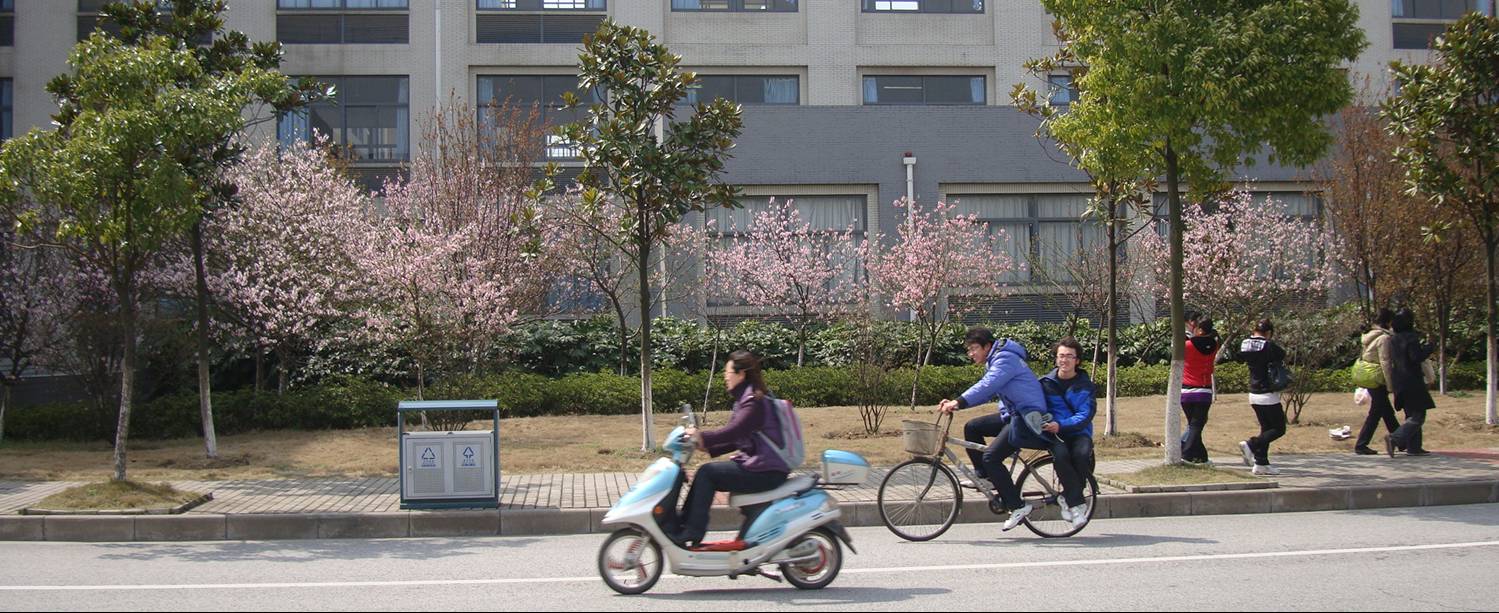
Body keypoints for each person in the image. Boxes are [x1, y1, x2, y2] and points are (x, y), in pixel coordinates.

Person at [938, 327, 1050, 532]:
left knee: (991, 457)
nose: (971, 354)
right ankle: (986, 477)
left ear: (987, 346)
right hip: (1014, 414)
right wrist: (958, 403)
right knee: (972, 427)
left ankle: (1017, 506)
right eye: (969, 350)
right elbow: (988, 393)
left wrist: (958, 401)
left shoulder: (1004, 360)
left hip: (1026, 417)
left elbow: (987, 385)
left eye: (974, 349)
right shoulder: (996, 359)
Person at [676, 350, 789, 548]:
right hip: (762, 467)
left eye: (728, 373)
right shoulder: (746, 399)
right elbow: (739, 439)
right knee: (707, 472)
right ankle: (684, 523)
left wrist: (703, 436)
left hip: (767, 472)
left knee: (707, 473)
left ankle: (692, 529)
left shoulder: (754, 401)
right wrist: (706, 446)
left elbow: (735, 431)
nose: (725, 377)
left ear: (741, 374)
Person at [1038, 337, 1096, 529]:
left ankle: (1068, 499)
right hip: (1055, 434)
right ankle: (1076, 505)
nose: (1065, 360)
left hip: (1078, 432)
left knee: (1080, 455)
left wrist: (1060, 425)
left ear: (1077, 360)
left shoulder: (1085, 385)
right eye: (1061, 356)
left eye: (1069, 356)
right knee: (1061, 455)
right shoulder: (1045, 382)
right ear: (1056, 358)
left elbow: (1085, 414)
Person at [1236, 319, 1288, 476]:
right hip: (1267, 393)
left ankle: (1261, 464)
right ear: (1269, 332)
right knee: (1279, 428)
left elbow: (1239, 357)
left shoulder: (1245, 344)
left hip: (1253, 392)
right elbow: (1282, 354)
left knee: (1266, 428)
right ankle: (1251, 444)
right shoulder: (1268, 345)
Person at [1386, 308, 1435, 458]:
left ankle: (1414, 447)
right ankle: (1395, 438)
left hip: (1399, 379)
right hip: (1412, 380)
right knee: (1418, 415)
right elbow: (1416, 357)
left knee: (1410, 414)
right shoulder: (1411, 337)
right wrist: (1428, 348)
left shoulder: (1393, 338)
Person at [1354, 308, 1399, 455]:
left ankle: (1401, 441)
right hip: (1378, 377)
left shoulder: (1368, 335)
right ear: (1388, 322)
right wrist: (1391, 383)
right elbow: (1385, 361)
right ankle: (1361, 444)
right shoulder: (1384, 338)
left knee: (1385, 411)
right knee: (1376, 412)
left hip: (1368, 375)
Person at [1181, 316, 1221, 464]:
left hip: (1186, 391)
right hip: (1204, 391)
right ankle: (1195, 455)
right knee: (1196, 425)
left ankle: (1193, 455)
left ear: (1199, 329)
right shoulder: (1214, 345)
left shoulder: (1187, 345)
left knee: (1194, 425)